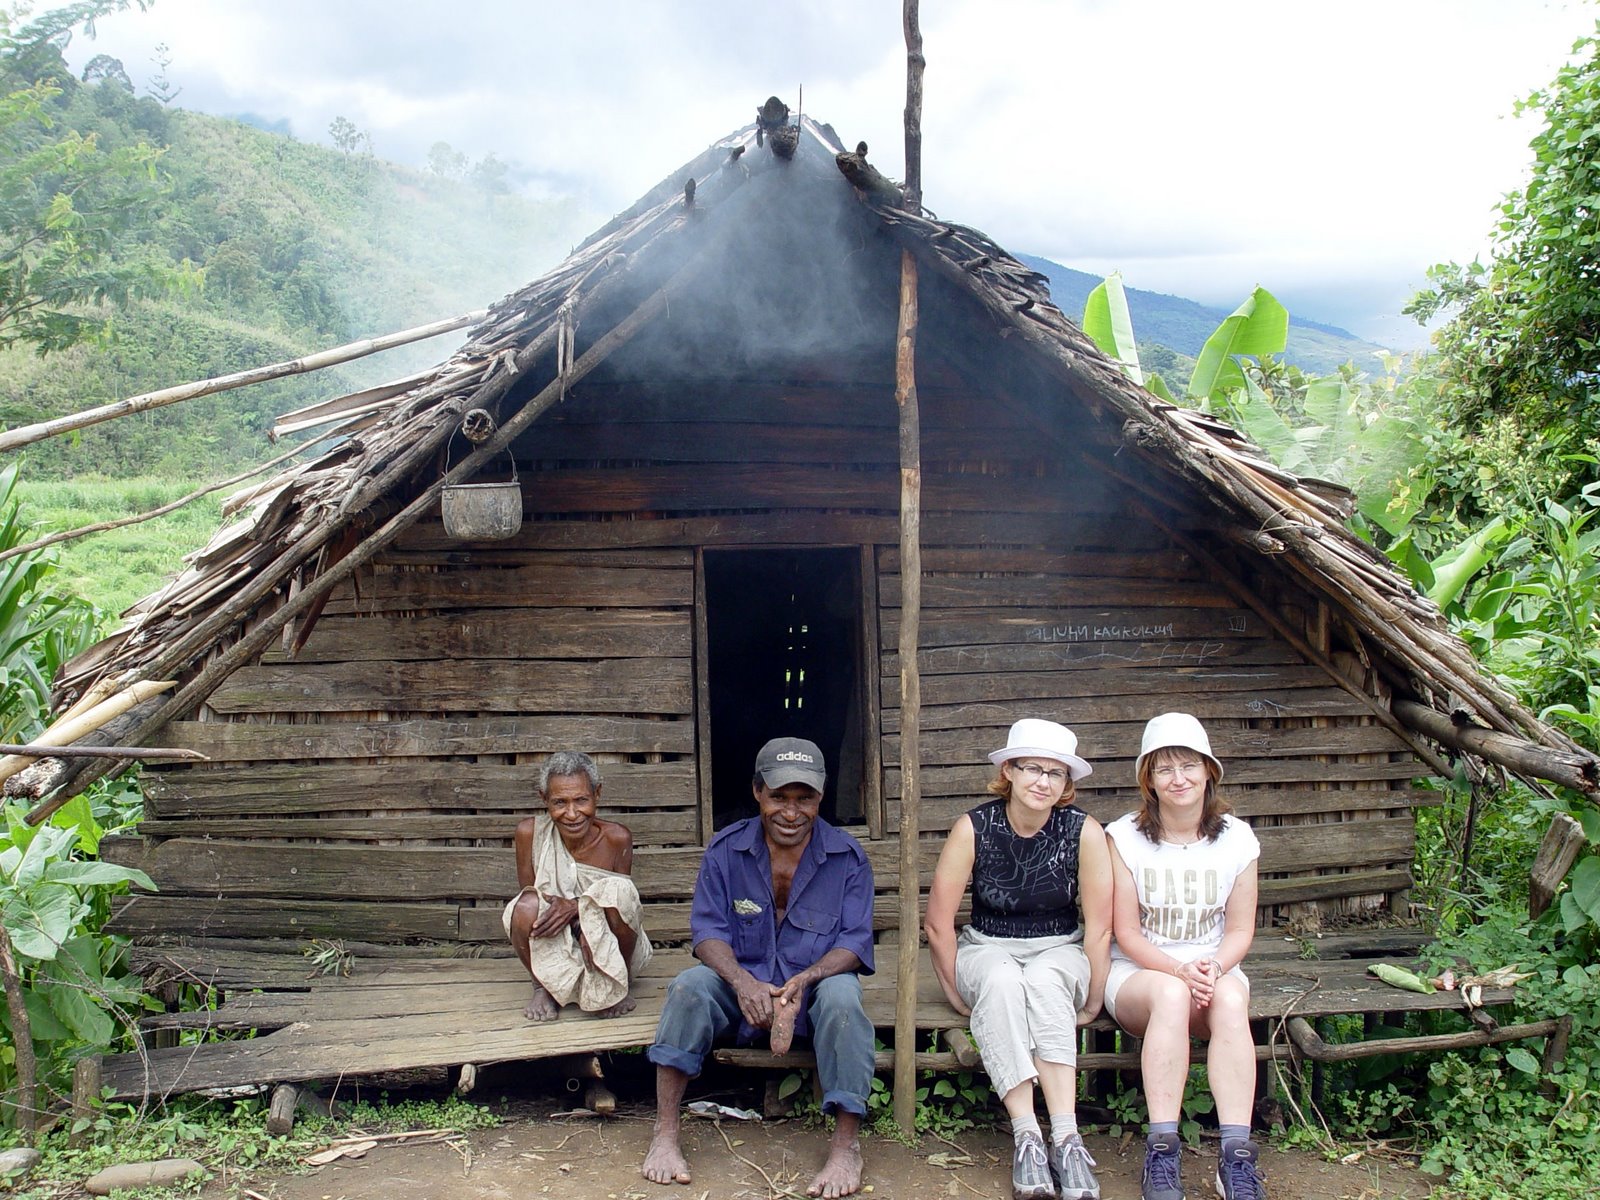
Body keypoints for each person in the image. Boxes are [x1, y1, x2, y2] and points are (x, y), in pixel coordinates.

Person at [642, 737, 874, 1199]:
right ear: (757, 792)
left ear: (820, 797)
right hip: (739, 986)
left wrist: (806, 979)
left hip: (812, 993)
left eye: (804, 799)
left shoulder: (847, 858)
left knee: (844, 997)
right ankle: (665, 1135)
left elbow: (854, 942)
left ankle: (846, 1148)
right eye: (779, 798)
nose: (791, 812)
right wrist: (742, 981)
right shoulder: (727, 851)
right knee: (689, 987)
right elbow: (707, 933)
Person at [926, 718, 1113, 1200]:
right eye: (1032, 768)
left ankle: (1067, 1138)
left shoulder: (1084, 832)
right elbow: (938, 921)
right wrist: (952, 989)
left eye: (1056, 773)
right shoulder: (974, 827)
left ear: (1066, 784)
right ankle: (1028, 1134)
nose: (1043, 781)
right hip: (988, 946)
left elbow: (1099, 924)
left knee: (1048, 981)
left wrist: (1092, 999)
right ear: (1008, 770)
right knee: (1004, 982)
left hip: (1060, 948)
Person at [1103, 713, 1266, 1200]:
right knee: (1173, 995)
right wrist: (1178, 969)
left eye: (1189, 765)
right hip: (1141, 974)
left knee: (1233, 1003)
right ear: (1147, 780)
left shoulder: (1237, 838)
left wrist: (1213, 967)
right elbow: (1126, 932)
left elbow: (1240, 929)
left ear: (1209, 772)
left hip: (1214, 969)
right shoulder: (1124, 837)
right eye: (1164, 768)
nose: (1179, 779)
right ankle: (1162, 1150)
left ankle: (1236, 1156)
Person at [504, 751, 652, 1020]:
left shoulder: (617, 838)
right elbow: (535, 900)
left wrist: (580, 912)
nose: (571, 814)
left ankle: (617, 985)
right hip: (557, 941)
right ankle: (543, 986)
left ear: (597, 794)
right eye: (559, 802)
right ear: (544, 799)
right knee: (524, 905)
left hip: (607, 944)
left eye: (581, 800)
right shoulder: (529, 834)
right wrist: (574, 920)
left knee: (620, 893)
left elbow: (624, 906)